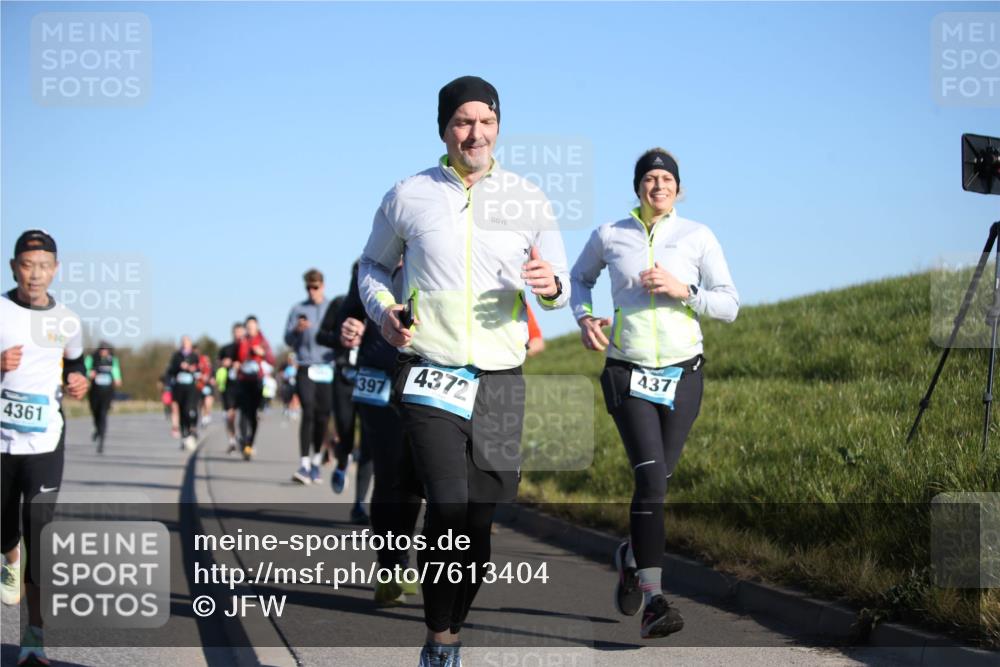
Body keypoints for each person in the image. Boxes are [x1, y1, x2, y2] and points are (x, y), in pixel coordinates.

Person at [359, 75, 569, 667]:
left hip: (501, 376)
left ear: (498, 125)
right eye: (461, 121)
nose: (474, 132)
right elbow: (371, 267)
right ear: (444, 129)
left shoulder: (529, 198)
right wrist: (384, 313)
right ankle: (439, 643)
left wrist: (551, 288)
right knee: (448, 508)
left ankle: (450, 626)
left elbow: (556, 285)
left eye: (485, 120)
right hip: (430, 369)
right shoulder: (408, 195)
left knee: (478, 524)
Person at [570, 148, 739, 638]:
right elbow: (579, 281)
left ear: (678, 188)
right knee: (652, 484)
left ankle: (630, 554)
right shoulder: (609, 234)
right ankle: (654, 602)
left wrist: (683, 289)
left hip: (684, 377)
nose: (658, 185)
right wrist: (583, 318)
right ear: (638, 187)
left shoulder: (697, 236)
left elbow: (729, 303)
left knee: (657, 484)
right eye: (649, 178)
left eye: (667, 178)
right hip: (628, 372)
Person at [1, 230, 88, 666]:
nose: (34, 274)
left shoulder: (67, 321)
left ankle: (34, 641)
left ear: (54, 270)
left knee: (41, 534)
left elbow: (74, 361)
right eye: (26, 265)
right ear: (13, 266)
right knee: (5, 527)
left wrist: (78, 380)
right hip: (1, 443)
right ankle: (7, 555)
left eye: (43, 266)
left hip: (45, 441)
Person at [323, 258, 423, 604]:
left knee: (411, 477)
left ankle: (402, 558)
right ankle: (388, 567)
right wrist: (348, 326)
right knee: (386, 471)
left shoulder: (433, 255)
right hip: (375, 376)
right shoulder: (367, 267)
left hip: (421, 374)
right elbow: (348, 312)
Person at [284, 269, 335, 484]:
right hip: (305, 366)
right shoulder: (298, 309)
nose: (312, 291)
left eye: (315, 287)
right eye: (308, 288)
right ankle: (304, 464)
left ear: (322, 286)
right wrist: (297, 329)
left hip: (326, 367)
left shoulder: (334, 307)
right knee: (308, 410)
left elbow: (340, 335)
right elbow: (287, 339)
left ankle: (316, 462)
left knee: (323, 416)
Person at [236, 315, 274, 460]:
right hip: (243, 380)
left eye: (253, 326)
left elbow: (272, 359)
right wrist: (235, 363)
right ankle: (245, 443)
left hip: (257, 381)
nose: (251, 329)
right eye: (248, 327)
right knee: (243, 413)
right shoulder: (241, 341)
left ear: (257, 327)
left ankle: (250, 443)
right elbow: (235, 357)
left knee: (253, 415)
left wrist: (262, 353)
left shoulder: (263, 341)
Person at [84, 341, 122, 453]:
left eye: (105, 350)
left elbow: (116, 371)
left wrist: (118, 379)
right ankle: (97, 429)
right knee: (95, 412)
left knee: (103, 414)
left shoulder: (112, 360)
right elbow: (84, 369)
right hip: (95, 391)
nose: (103, 352)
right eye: (101, 349)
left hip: (107, 391)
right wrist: (88, 373)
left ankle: (101, 442)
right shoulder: (92, 358)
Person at [168, 336, 201, 451]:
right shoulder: (176, 356)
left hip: (190, 387)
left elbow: (199, 371)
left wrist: (192, 369)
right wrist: (179, 367)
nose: (185, 344)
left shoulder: (194, 356)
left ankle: (191, 430)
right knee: (181, 411)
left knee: (188, 410)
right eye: (183, 342)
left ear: (190, 344)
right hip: (178, 387)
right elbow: (170, 370)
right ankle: (184, 435)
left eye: (187, 342)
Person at [217, 322, 246, 454]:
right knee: (230, 415)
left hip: (245, 384)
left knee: (244, 416)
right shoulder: (226, 349)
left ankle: (245, 439)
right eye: (236, 332)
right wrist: (224, 363)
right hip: (229, 386)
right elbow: (217, 363)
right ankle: (232, 441)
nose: (238, 335)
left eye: (241, 332)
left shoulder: (248, 348)